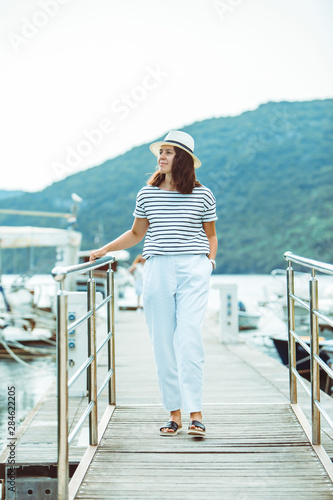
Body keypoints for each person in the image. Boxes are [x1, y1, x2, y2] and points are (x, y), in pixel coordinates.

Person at [90, 130, 218, 437]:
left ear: (183, 159)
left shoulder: (203, 195)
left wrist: (209, 263)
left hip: (193, 268)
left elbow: (211, 235)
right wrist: (107, 249)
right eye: (160, 152)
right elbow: (136, 234)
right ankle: (174, 413)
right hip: (157, 267)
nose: (161, 157)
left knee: (188, 338)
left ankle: (196, 413)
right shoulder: (146, 194)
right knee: (162, 342)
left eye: (168, 152)